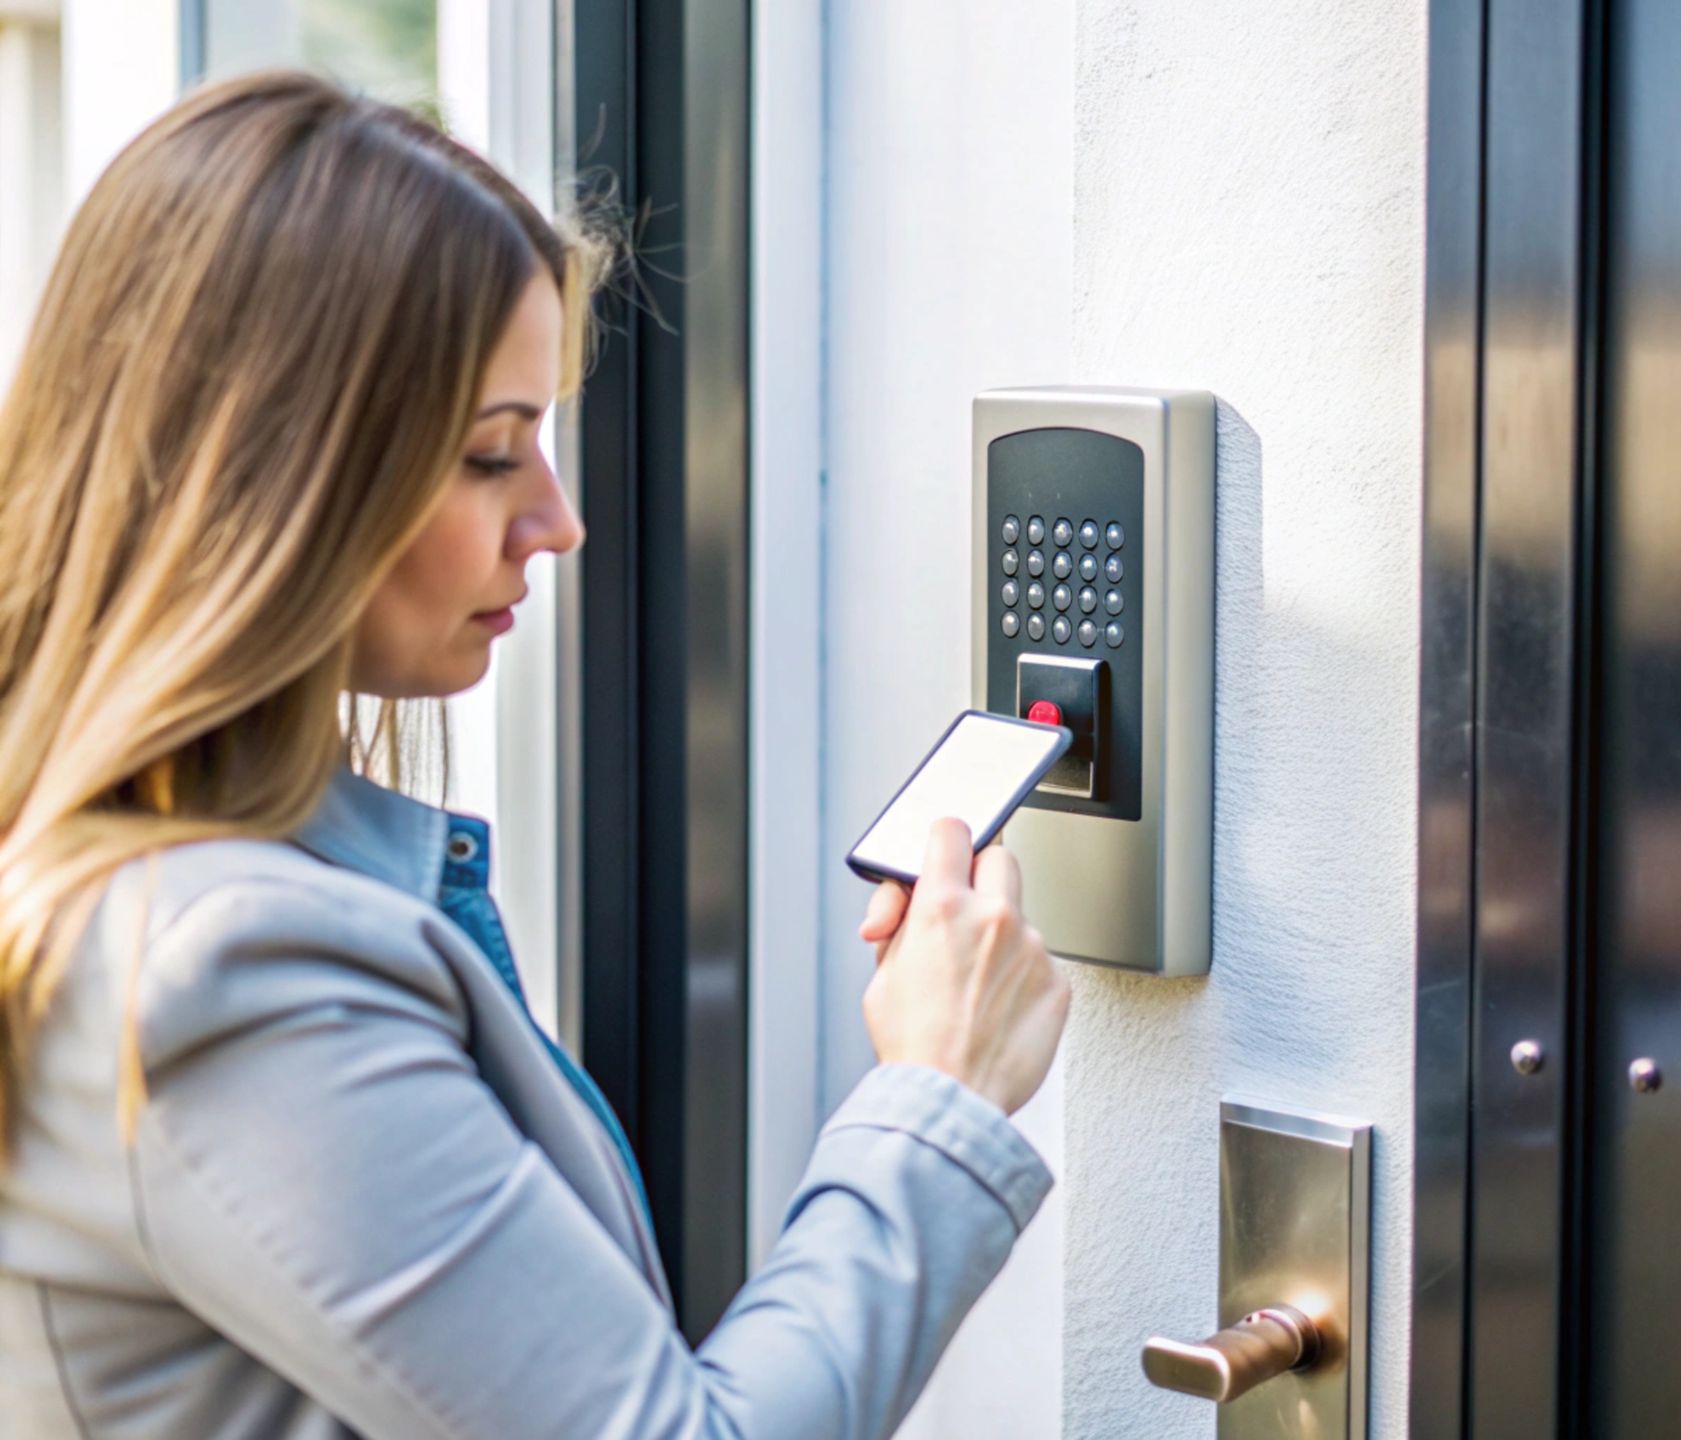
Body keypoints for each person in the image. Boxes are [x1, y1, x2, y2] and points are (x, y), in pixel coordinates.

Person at [0, 71, 1070, 1439]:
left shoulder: (172, 886)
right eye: (494, 456)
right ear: (273, 474)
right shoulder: (218, 977)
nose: (557, 523)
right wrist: (937, 1093)